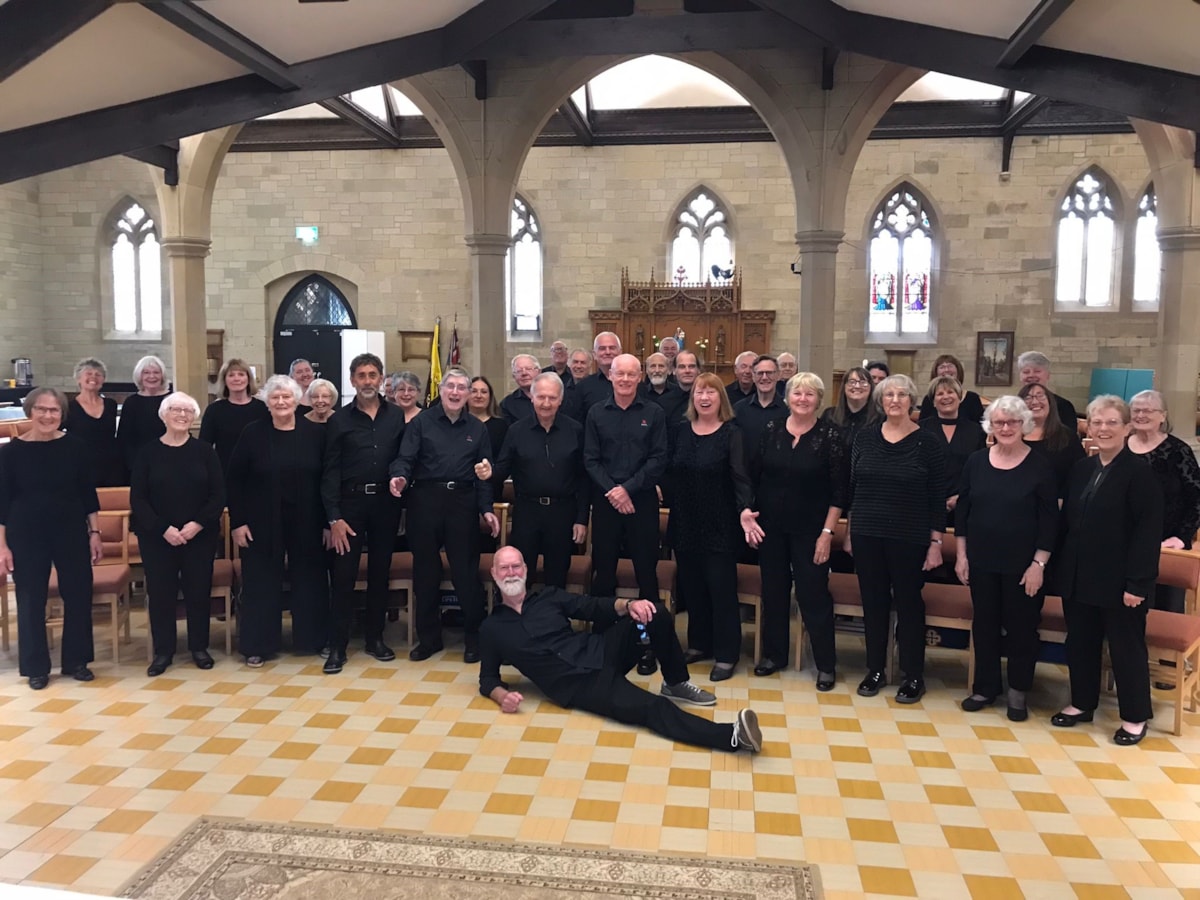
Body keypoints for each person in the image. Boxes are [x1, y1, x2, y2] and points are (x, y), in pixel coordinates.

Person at [479, 547, 762, 753]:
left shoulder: (549, 597)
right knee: (652, 708)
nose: (511, 572)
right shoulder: (492, 628)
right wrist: (502, 696)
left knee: (655, 613)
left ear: (526, 570)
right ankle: (732, 736)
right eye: (504, 568)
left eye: (516, 566)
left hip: (601, 649)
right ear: (494, 573)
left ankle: (675, 682)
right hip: (581, 685)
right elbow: (487, 680)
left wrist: (630, 606)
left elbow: (592, 606)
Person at [1052, 395, 1162, 746]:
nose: (1103, 428)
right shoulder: (1084, 468)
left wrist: (1138, 583)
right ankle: (1082, 702)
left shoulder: (1140, 473)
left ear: (1127, 427)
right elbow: (1068, 522)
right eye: (1097, 422)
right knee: (1079, 642)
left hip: (1121, 581)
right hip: (1079, 575)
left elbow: (1148, 532)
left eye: (1112, 422)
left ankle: (1134, 716)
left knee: (1125, 647)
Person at [954, 396, 1058, 721]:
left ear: (1024, 424)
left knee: (1022, 629)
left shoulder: (1040, 465)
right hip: (982, 559)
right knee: (983, 624)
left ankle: (1017, 691)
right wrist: (961, 555)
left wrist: (1039, 564)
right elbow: (963, 512)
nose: (1006, 427)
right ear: (990, 426)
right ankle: (985, 687)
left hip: (1024, 566)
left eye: (1013, 421)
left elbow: (1050, 522)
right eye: (999, 422)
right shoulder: (976, 461)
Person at [741, 372, 847, 684]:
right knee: (773, 592)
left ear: (819, 400)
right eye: (797, 393)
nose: (803, 399)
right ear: (787, 398)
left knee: (813, 595)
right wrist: (749, 513)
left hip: (811, 531)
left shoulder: (830, 436)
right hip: (771, 529)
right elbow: (753, 476)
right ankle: (775, 654)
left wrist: (827, 534)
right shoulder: (771, 429)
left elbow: (839, 492)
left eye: (809, 394)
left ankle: (825, 663)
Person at [846, 374, 946, 703]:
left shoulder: (928, 442)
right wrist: (849, 531)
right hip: (867, 532)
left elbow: (936, 497)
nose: (895, 400)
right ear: (881, 401)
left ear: (911, 401)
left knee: (909, 604)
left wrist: (935, 543)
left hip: (910, 535)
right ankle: (875, 669)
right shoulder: (865, 437)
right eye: (889, 394)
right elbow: (853, 488)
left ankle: (912, 675)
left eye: (902, 394)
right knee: (873, 603)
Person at [389, 367, 500, 662]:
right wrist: (398, 477)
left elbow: (484, 473)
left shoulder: (478, 428)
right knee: (426, 572)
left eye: (461, 388)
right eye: (450, 386)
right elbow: (405, 459)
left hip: (462, 502)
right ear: (441, 389)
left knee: (466, 572)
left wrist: (486, 510)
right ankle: (429, 639)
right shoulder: (421, 422)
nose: (455, 392)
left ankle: (474, 639)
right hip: (424, 500)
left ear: (467, 395)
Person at [0, 388, 101, 690]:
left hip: (70, 529)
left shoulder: (76, 447)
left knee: (78, 592)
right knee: (31, 598)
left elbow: (88, 495)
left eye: (54, 410)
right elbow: (2, 503)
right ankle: (35, 667)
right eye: (41, 410)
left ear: (62, 415)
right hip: (26, 532)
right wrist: (2, 545)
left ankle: (77, 661)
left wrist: (95, 532)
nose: (47, 416)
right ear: (29, 411)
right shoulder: (9, 453)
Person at [228, 375, 328, 666]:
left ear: (297, 400)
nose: (281, 402)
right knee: (260, 582)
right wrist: (238, 522)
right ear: (267, 402)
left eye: (286, 397)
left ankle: (313, 640)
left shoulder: (315, 433)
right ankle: (257, 645)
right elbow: (234, 480)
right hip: (260, 521)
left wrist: (326, 523)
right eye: (275, 398)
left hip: (308, 520)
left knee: (311, 580)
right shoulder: (252, 433)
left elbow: (326, 481)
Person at [660, 373, 751, 681]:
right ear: (693, 397)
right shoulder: (680, 431)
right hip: (685, 520)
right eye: (700, 391)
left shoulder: (731, 433)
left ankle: (726, 654)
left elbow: (740, 477)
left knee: (721, 591)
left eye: (712, 392)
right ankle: (700, 644)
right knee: (693, 588)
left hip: (720, 523)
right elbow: (670, 470)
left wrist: (746, 509)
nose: (705, 397)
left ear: (720, 399)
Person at [321, 353, 406, 674]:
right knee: (343, 577)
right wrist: (333, 517)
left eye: (373, 375)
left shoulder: (396, 416)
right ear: (352, 380)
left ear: (382, 378)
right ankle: (337, 647)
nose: (368, 381)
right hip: (349, 508)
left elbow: (402, 457)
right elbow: (329, 472)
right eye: (361, 375)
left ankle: (375, 639)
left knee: (380, 575)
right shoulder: (338, 420)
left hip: (386, 504)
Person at [584, 353, 668, 673]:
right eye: (620, 374)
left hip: (642, 503)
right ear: (610, 376)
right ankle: (603, 641)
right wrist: (614, 492)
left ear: (639, 377)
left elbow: (659, 458)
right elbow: (590, 459)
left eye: (632, 374)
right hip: (606, 504)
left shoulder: (654, 413)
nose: (625, 379)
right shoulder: (596, 413)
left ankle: (648, 643)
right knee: (603, 574)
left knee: (646, 574)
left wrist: (628, 490)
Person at [131, 392, 225, 677]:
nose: (182, 415)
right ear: (164, 415)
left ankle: (199, 647)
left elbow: (218, 495)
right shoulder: (146, 453)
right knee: (161, 593)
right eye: (176, 409)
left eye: (188, 410)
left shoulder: (206, 452)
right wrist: (164, 529)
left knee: (198, 591)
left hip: (200, 535)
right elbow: (138, 499)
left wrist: (197, 524)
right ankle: (163, 651)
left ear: (194, 417)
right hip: (157, 537)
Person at [479, 373, 587, 589]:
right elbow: (502, 468)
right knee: (521, 572)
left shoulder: (575, 430)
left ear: (561, 399)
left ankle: (554, 619)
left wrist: (581, 518)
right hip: (527, 511)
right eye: (541, 397)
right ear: (532, 397)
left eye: (552, 398)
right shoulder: (516, 430)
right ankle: (521, 619)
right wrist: (489, 472)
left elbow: (584, 478)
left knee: (557, 573)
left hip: (563, 512)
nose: (546, 403)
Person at [1127, 389, 1200, 614]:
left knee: (1165, 607)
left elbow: (1196, 497)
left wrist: (1181, 536)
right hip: (1124, 542)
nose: (1141, 414)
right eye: (1136, 410)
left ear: (1163, 416)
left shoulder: (1178, 451)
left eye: (1148, 410)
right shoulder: (1119, 447)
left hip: (1165, 541)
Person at [918, 376, 985, 528]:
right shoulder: (920, 430)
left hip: (965, 504)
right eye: (940, 394)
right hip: (926, 505)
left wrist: (961, 497)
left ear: (959, 397)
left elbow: (980, 470)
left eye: (950, 392)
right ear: (933, 401)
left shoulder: (975, 431)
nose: (946, 397)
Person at [199, 359, 270, 474]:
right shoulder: (214, 410)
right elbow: (204, 446)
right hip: (224, 472)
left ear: (248, 379)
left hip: (258, 472)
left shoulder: (263, 408)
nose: (236, 379)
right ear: (224, 380)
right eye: (231, 375)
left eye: (241, 374)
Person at [65, 357, 126, 487]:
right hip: (81, 466)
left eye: (98, 374)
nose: (94, 377)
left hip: (112, 467)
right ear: (78, 379)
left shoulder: (111, 405)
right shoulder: (68, 407)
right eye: (88, 374)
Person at [1018, 382, 1085, 498]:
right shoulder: (1012, 436)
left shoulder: (1067, 436)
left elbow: (1079, 474)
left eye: (1040, 396)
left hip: (1056, 504)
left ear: (1050, 402)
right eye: (1028, 398)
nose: (1035, 402)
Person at [117, 355, 170, 473]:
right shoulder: (131, 402)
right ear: (139, 376)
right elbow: (124, 438)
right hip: (139, 463)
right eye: (146, 372)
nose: (152, 376)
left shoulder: (172, 399)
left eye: (156, 372)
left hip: (169, 460)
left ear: (162, 376)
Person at [733, 354, 785, 452]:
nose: (764, 377)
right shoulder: (739, 409)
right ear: (753, 376)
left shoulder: (787, 410)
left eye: (769, 373)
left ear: (778, 375)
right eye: (760, 373)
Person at [1018, 350, 1077, 430]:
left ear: (1048, 375)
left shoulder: (1063, 406)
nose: (1031, 375)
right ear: (1020, 376)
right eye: (1026, 372)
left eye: (1037, 371)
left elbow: (1070, 437)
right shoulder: (1012, 405)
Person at [918, 355, 984, 423]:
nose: (946, 370)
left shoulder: (973, 398)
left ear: (958, 371)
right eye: (942, 367)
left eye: (950, 366)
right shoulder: (929, 398)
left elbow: (981, 425)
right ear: (936, 372)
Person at [822, 366, 874, 450]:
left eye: (863, 382)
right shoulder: (830, 415)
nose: (857, 386)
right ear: (844, 386)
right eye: (852, 382)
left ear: (871, 387)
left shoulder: (879, 418)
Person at [575, 332, 621, 420]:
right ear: (594, 355)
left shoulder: (634, 385)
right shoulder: (583, 387)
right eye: (602, 348)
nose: (607, 352)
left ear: (620, 352)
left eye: (612, 348)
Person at [640, 352, 687, 423]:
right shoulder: (640, 394)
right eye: (653, 366)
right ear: (646, 370)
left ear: (668, 370)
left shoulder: (679, 393)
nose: (657, 370)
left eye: (661, 366)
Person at [501, 354, 539, 424]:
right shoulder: (507, 404)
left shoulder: (553, 397)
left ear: (539, 372)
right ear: (514, 376)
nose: (524, 373)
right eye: (519, 371)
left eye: (528, 369)